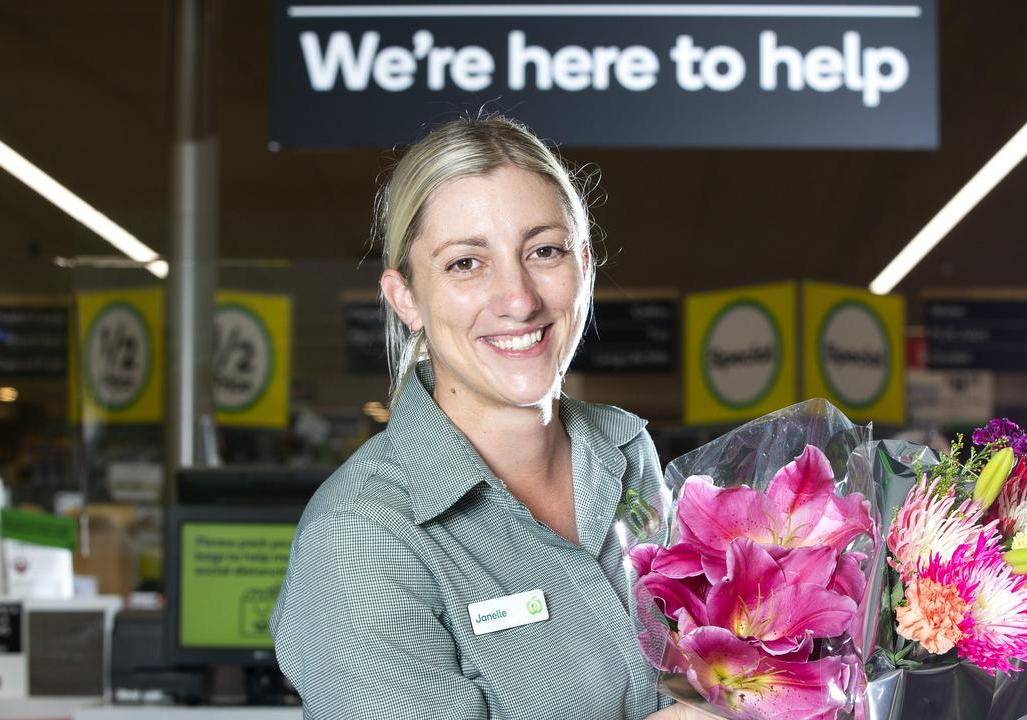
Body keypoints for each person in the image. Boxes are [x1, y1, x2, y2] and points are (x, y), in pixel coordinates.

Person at [270, 115, 705, 720]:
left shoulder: (629, 456)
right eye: (465, 264)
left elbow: (688, 669)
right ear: (406, 299)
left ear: (583, 265)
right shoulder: (361, 538)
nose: (519, 298)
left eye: (544, 251)